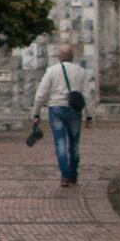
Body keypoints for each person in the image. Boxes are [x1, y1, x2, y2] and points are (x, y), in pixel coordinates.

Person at [25, 43, 95, 186]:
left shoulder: (52, 71)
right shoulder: (81, 71)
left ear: (59, 57)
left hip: (56, 109)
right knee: (74, 143)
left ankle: (64, 176)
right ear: (72, 57)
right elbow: (87, 96)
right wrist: (89, 115)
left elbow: (40, 94)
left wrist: (36, 113)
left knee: (60, 142)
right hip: (74, 110)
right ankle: (73, 174)